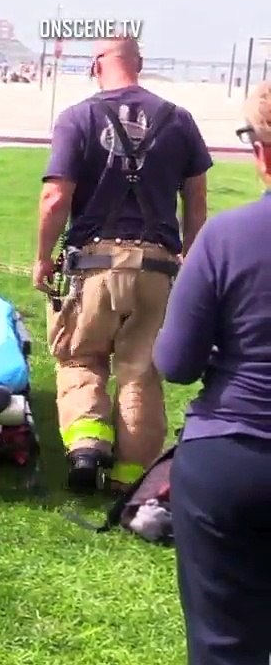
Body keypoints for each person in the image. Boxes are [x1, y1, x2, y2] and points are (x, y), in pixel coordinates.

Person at [33, 37, 210, 493]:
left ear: (97, 65)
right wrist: (191, 258)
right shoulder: (178, 120)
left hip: (93, 265)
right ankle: (130, 475)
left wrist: (41, 259)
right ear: (140, 64)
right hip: (158, 268)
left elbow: (56, 196)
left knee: (80, 356)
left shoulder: (79, 117)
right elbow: (196, 200)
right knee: (140, 369)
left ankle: (88, 446)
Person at [154, 82, 271, 665]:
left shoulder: (226, 237)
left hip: (233, 454)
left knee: (226, 646)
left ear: (264, 152)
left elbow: (176, 363)